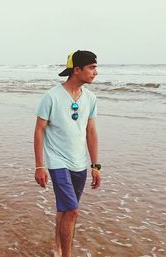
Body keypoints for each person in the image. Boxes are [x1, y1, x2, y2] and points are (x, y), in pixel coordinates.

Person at [34, 50, 101, 257]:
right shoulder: (51, 97)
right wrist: (39, 165)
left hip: (79, 162)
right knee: (72, 210)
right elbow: (39, 131)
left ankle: (57, 245)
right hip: (57, 161)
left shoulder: (90, 98)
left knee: (65, 210)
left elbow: (91, 132)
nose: (95, 72)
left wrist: (95, 165)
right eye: (91, 67)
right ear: (77, 70)